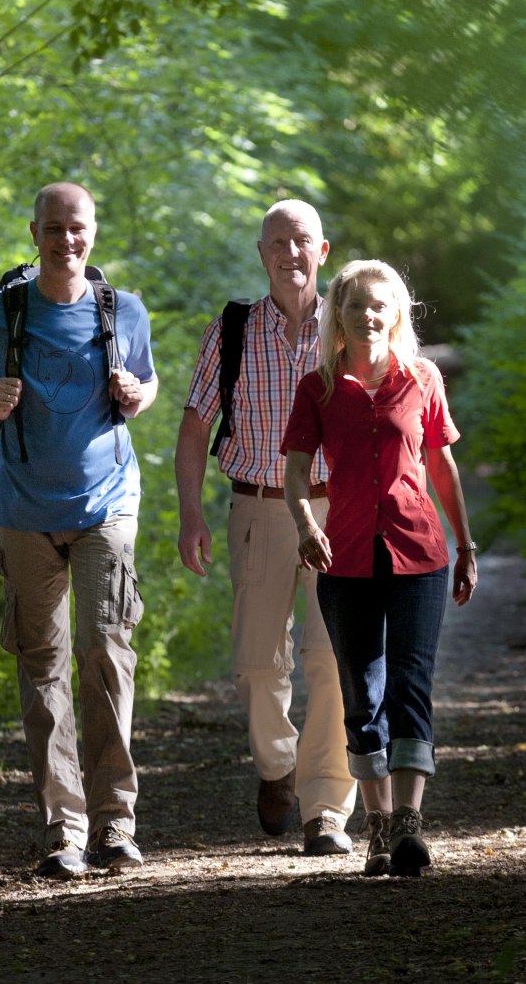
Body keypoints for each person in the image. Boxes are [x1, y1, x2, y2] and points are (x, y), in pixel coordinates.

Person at [0, 182, 158, 880]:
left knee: (103, 647)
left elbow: (146, 387)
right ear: (34, 232)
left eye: (77, 227)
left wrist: (135, 393)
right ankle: (65, 826)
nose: (66, 239)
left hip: (106, 505)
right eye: (53, 228)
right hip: (25, 509)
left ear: (94, 231)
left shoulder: (124, 311)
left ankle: (116, 821)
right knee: (43, 665)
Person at [282, 258, 477, 878]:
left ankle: (410, 824)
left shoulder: (421, 378)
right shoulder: (316, 387)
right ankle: (378, 823)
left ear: (395, 316)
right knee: (361, 697)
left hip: (418, 552)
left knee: (410, 685)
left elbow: (442, 467)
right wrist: (307, 526)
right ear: (336, 314)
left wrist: (466, 545)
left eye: (381, 306)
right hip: (342, 557)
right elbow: (293, 472)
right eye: (358, 304)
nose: (369, 315)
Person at [175, 200, 356, 855]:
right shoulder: (230, 330)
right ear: (260, 254)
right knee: (257, 662)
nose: (289, 253)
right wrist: (190, 513)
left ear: (323, 250)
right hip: (257, 505)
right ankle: (277, 766)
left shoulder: (350, 328)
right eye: (276, 242)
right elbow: (195, 427)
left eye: (300, 240)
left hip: (337, 509)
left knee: (332, 656)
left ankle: (326, 807)